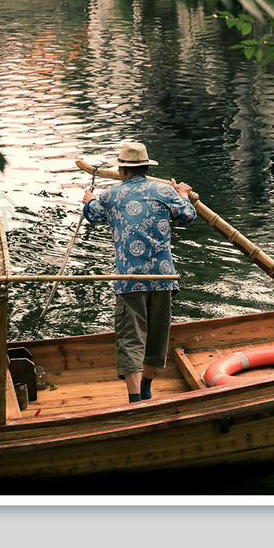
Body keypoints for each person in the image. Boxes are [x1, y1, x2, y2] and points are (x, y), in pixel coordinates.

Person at [82, 141, 197, 403]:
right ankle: (146, 387)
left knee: (131, 340)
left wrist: (89, 201)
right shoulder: (165, 191)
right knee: (156, 338)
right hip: (163, 277)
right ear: (145, 167)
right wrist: (182, 193)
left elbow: (94, 215)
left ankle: (136, 400)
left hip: (130, 280)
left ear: (123, 170)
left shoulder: (111, 195)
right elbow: (187, 215)